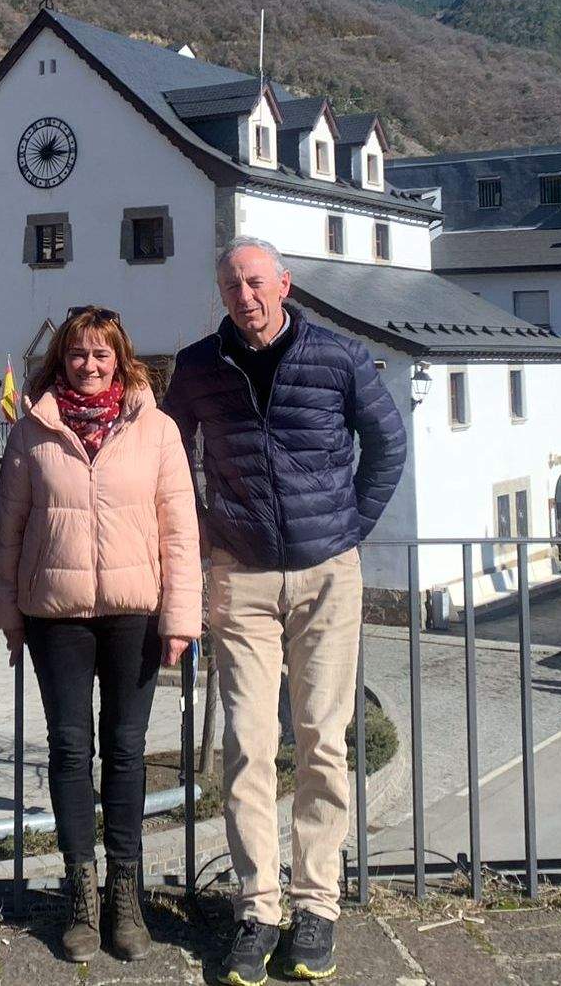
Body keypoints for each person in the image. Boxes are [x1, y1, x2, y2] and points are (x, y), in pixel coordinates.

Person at [165, 238, 406, 986]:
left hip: (327, 575)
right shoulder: (199, 365)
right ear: (223, 293)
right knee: (247, 744)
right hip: (240, 578)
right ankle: (256, 906)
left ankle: (317, 904)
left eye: (257, 281)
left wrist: (347, 530)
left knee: (324, 741)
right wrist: (204, 533)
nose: (246, 294)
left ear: (284, 284)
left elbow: (387, 446)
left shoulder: (338, 356)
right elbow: (172, 458)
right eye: (233, 284)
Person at [0, 306, 202, 963]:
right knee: (70, 749)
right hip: (57, 614)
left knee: (128, 749)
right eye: (77, 353)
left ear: (121, 358)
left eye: (100, 354)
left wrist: (182, 617)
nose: (89, 364)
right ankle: (82, 897)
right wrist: (7, 614)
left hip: (134, 612)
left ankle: (125, 897)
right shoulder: (32, 430)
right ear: (63, 360)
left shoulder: (156, 429)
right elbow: (8, 528)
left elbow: (179, 529)